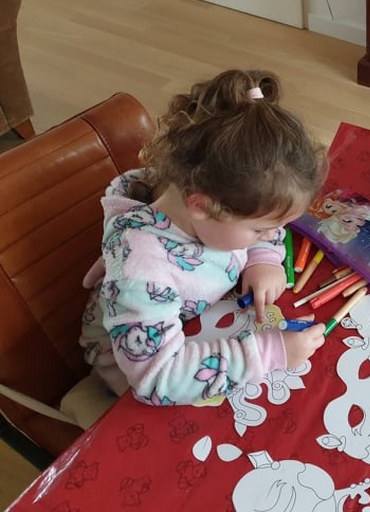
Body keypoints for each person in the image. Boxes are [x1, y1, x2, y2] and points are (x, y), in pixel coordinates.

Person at [80, 69, 328, 406]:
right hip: (134, 373)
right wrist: (267, 354)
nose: (274, 235)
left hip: (197, 323)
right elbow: (158, 378)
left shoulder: (191, 187)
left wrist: (262, 258)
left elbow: (262, 218)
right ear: (202, 206)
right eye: (259, 230)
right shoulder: (143, 272)